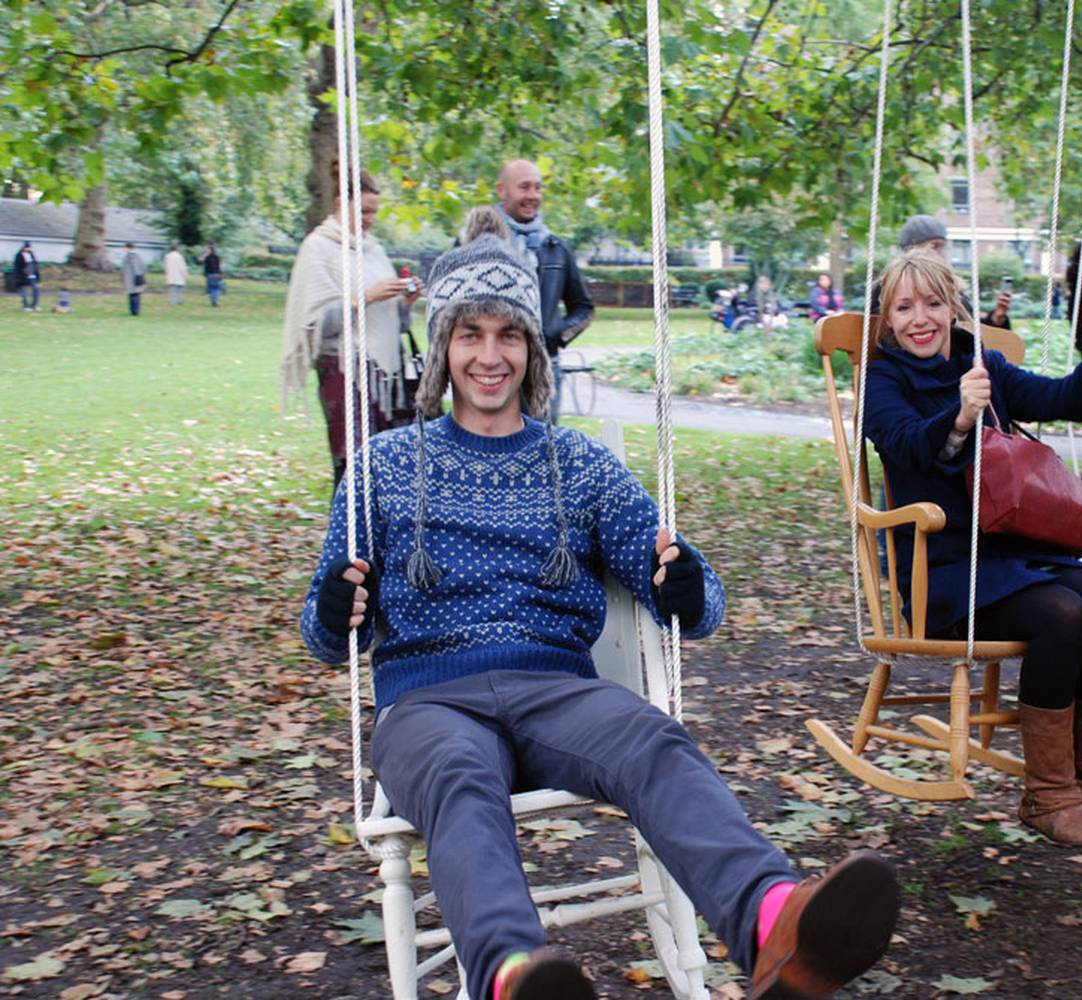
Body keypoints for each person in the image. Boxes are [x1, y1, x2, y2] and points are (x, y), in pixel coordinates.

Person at [299, 225, 899, 1000]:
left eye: (509, 334)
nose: (490, 356)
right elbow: (324, 641)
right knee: (458, 779)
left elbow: (698, 602)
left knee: (652, 738)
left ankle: (775, 923)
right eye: (470, 335)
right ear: (443, 348)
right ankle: (514, 976)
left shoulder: (578, 464)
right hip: (425, 700)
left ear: (532, 349)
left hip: (555, 690)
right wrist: (334, 603)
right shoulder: (384, 465)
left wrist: (686, 587)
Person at [863, 249, 1082, 861]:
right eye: (904, 307)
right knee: (1063, 615)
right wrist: (960, 416)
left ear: (953, 308)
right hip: (941, 569)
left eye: (933, 304)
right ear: (887, 318)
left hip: (1014, 552)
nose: (920, 319)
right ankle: (1048, 796)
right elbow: (905, 444)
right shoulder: (883, 378)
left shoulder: (979, 360)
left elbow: (1063, 397)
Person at [280, 165, 423, 489]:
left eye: (374, 212)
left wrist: (405, 303)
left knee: (387, 468)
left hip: (385, 379)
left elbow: (393, 326)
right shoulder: (319, 248)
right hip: (344, 373)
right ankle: (347, 538)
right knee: (353, 468)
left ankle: (381, 539)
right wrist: (364, 298)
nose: (370, 219)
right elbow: (316, 326)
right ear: (339, 205)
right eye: (364, 211)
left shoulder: (374, 251)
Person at [492, 159, 593, 423]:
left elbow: (583, 309)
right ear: (502, 190)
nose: (533, 196)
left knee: (542, 452)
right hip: (490, 370)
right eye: (524, 187)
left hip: (544, 369)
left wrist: (555, 334)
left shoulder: (556, 248)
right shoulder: (476, 243)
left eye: (537, 188)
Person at [868, 215, 1014, 330]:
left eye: (942, 247)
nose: (940, 253)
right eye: (934, 246)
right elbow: (877, 334)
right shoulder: (888, 286)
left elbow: (968, 329)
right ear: (912, 249)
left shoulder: (949, 286)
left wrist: (996, 318)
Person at [12, 240, 39, 311]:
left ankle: (34, 306)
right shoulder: (19, 255)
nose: (28, 249)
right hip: (23, 277)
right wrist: (18, 277)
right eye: (27, 247)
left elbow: (35, 265)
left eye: (29, 247)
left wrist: (38, 276)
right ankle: (25, 306)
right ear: (23, 247)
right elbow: (17, 267)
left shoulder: (31, 254)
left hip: (32, 276)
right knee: (24, 292)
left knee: (36, 289)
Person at [121, 242, 146, 316]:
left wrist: (138, 277)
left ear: (129, 248)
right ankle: (133, 311)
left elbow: (136, 267)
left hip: (133, 279)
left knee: (134, 295)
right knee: (133, 295)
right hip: (131, 279)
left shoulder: (132, 256)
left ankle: (135, 311)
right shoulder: (133, 255)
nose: (123, 249)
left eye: (124, 248)